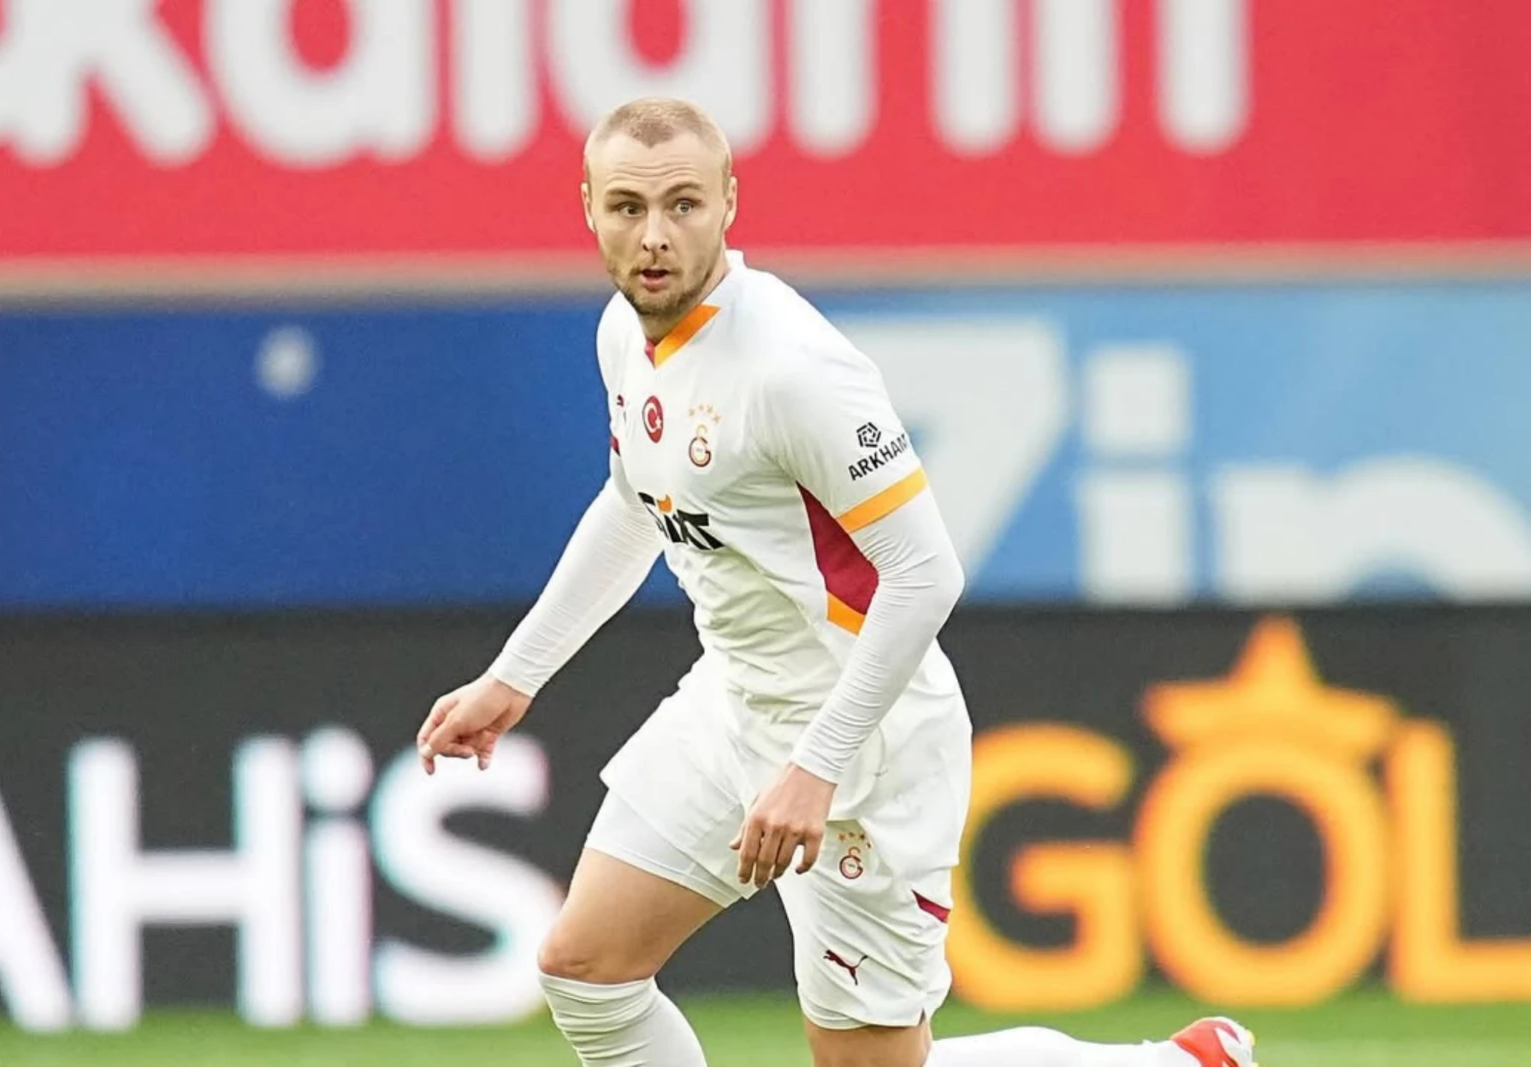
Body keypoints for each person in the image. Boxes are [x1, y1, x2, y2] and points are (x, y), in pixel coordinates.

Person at [415, 96, 1258, 1067]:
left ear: (729, 203)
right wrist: (514, 675)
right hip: (735, 705)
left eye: (683, 204)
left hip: (870, 745)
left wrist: (815, 764)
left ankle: (1171, 1063)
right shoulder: (623, 332)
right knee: (585, 967)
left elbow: (924, 571)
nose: (653, 235)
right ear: (588, 208)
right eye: (627, 206)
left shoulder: (790, 366)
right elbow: (631, 499)